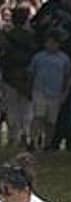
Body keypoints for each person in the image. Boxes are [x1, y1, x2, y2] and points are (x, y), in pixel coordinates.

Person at [0, 4, 37, 149]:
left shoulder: (6, 36)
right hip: (26, 77)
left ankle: (13, 137)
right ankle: (25, 136)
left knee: (12, 109)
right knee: (26, 110)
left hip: (10, 76)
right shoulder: (32, 37)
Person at [28, 30, 71, 151]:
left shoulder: (64, 59)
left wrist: (64, 93)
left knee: (51, 121)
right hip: (39, 91)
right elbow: (31, 74)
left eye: (54, 43)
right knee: (38, 117)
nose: (51, 45)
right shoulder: (38, 57)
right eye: (49, 42)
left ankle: (47, 143)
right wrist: (30, 89)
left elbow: (67, 77)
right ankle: (33, 140)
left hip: (56, 93)